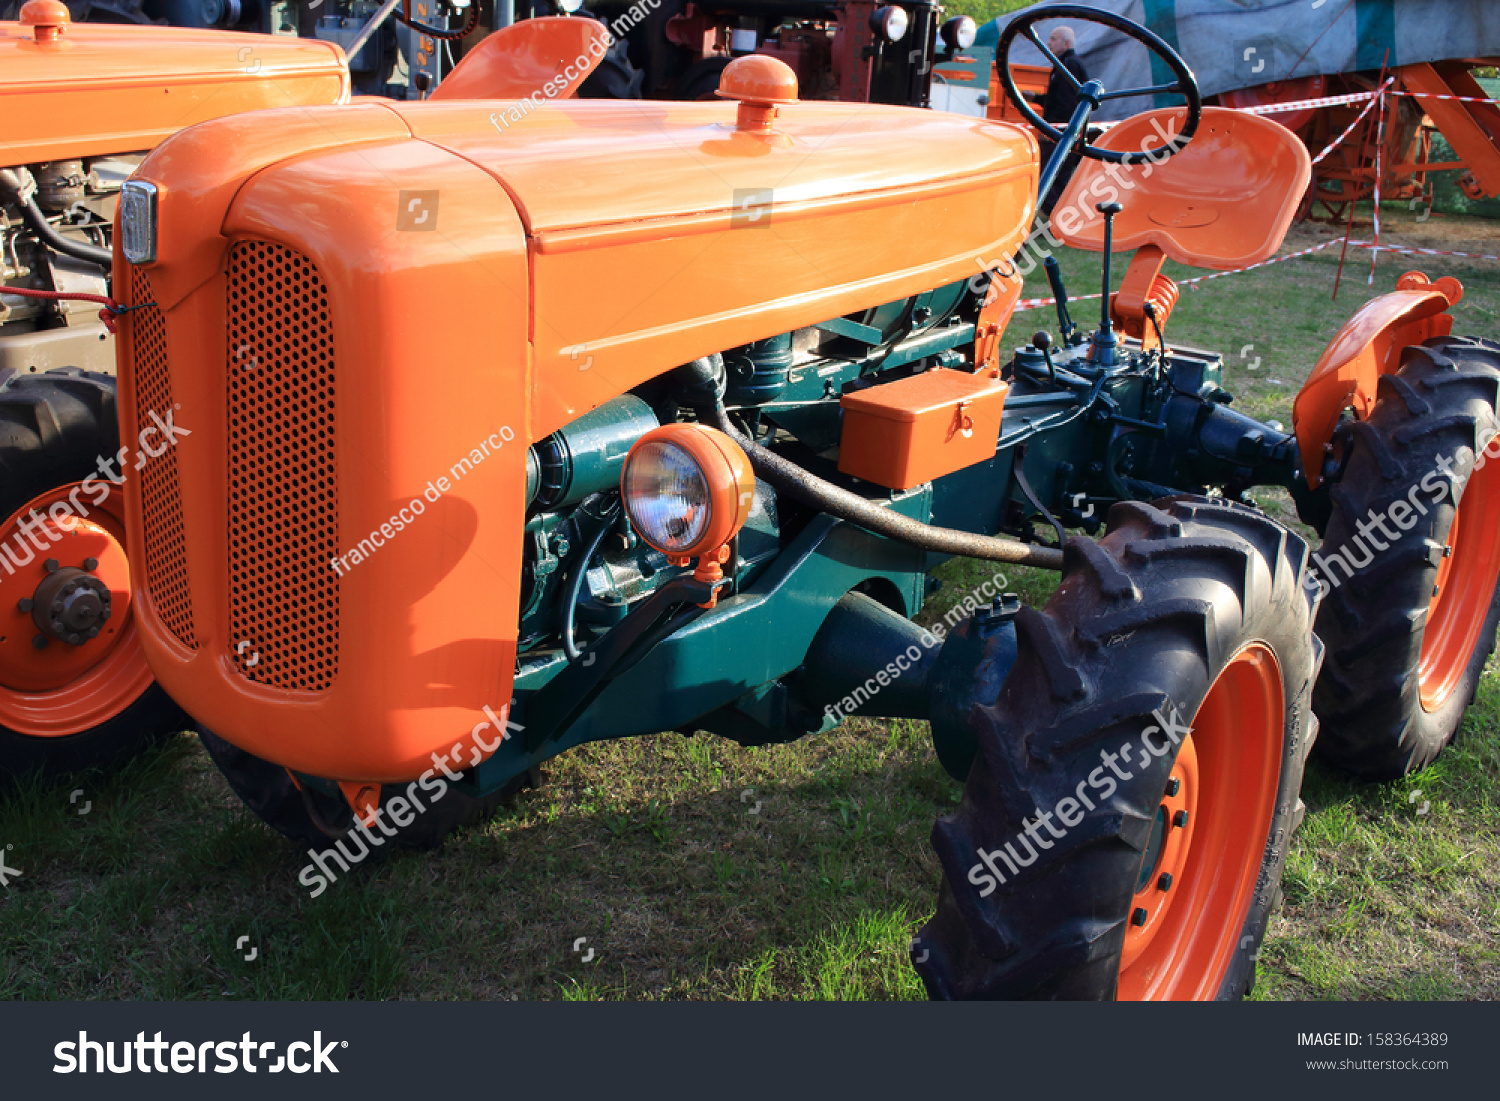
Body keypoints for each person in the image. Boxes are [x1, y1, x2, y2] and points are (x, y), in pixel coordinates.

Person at [1028, 25, 1090, 214]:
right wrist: (1037, 98)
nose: (1049, 43)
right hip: (1067, 131)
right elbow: (1062, 97)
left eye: (1053, 39)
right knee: (1060, 178)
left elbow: (1066, 103)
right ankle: (1063, 220)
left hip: (1060, 133)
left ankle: (1058, 217)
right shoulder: (1066, 64)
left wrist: (1051, 131)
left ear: (1067, 43)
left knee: (1045, 175)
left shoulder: (1069, 65)